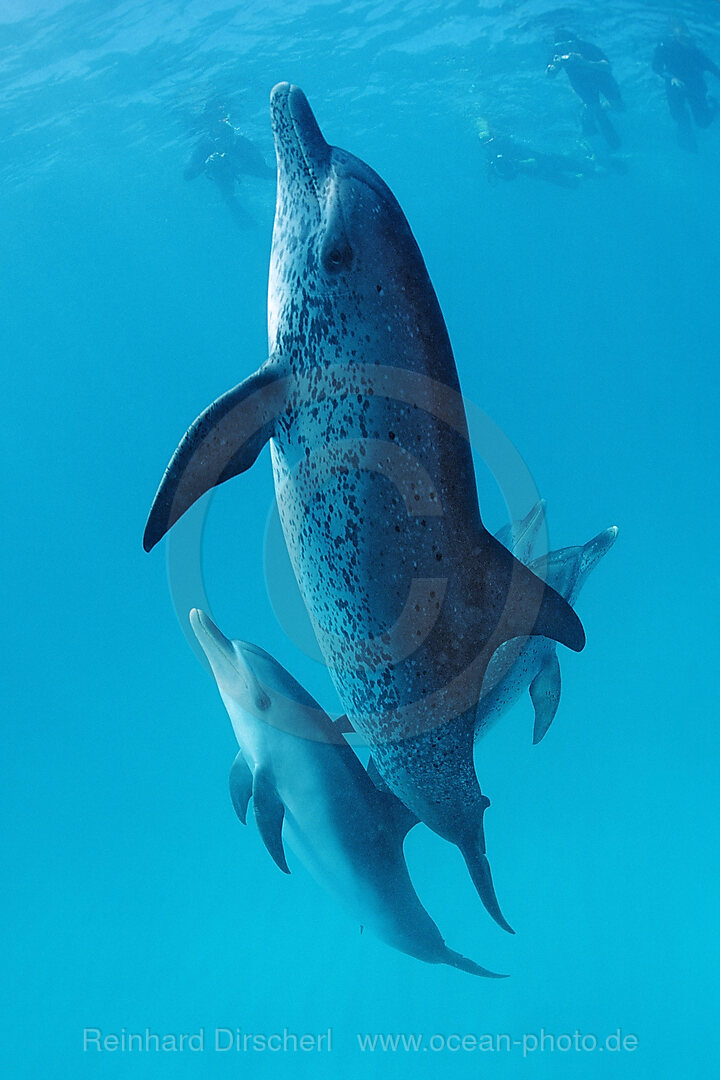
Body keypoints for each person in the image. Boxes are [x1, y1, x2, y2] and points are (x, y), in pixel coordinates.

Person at [184, 98, 275, 224]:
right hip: (222, 172)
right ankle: (245, 223)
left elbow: (261, 166)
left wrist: (240, 160)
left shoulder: (240, 140)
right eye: (214, 120)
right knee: (229, 198)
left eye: (222, 119)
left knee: (268, 174)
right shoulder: (204, 146)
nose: (219, 124)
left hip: (243, 162)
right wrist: (205, 164)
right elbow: (187, 175)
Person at [476, 119, 622, 189]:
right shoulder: (492, 157)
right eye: (484, 143)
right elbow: (510, 177)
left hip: (550, 162)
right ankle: (592, 165)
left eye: (489, 141)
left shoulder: (510, 147)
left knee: (589, 171)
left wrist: (515, 163)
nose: (488, 145)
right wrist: (495, 171)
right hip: (544, 175)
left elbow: (533, 161)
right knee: (572, 184)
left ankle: (605, 163)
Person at [546, 28, 625, 149]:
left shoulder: (588, 48)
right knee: (597, 111)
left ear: (576, 42)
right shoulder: (557, 53)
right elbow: (549, 75)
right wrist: (555, 68)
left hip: (602, 78)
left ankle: (596, 108)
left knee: (620, 107)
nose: (566, 49)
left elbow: (608, 67)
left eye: (570, 45)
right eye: (562, 46)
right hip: (580, 82)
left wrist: (585, 62)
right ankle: (592, 113)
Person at [652, 21, 720, 151]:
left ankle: (713, 103)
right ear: (674, 36)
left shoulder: (695, 52)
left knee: (703, 123)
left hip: (695, 86)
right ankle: (688, 143)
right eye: (681, 36)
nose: (685, 40)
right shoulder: (665, 48)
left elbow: (713, 69)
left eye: (686, 36)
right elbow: (656, 67)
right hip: (674, 87)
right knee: (680, 118)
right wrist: (671, 77)